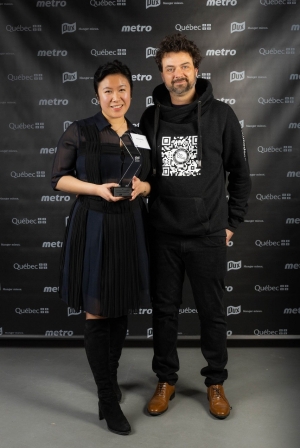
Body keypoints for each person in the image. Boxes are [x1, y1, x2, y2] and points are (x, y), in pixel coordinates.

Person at [140, 34, 251, 419]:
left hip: (208, 234)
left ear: (197, 68)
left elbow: (240, 173)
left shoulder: (221, 115)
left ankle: (215, 382)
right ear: (162, 74)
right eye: (169, 68)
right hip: (164, 234)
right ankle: (165, 379)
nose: (178, 75)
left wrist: (232, 223)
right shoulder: (150, 117)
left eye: (184, 66)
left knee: (212, 313)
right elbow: (143, 172)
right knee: (164, 311)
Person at [51, 60, 151, 435]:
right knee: (97, 311)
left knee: (120, 304)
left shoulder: (140, 134)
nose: (116, 97)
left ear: (131, 93)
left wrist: (144, 188)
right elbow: (57, 179)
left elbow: (150, 182)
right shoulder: (80, 130)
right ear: (97, 95)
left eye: (122, 89)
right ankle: (108, 399)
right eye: (108, 90)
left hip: (129, 226)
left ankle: (108, 381)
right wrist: (95, 189)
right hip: (92, 224)